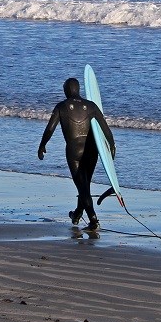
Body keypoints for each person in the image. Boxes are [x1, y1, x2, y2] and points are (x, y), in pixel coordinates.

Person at [38, 77, 115, 230]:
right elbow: (105, 128)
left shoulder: (62, 106)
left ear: (66, 90)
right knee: (84, 185)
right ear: (78, 89)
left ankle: (93, 219)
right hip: (92, 150)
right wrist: (111, 145)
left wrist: (42, 145)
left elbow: (50, 128)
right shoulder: (91, 106)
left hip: (74, 152)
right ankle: (78, 213)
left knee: (83, 187)